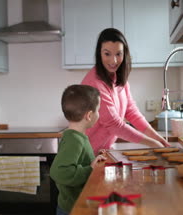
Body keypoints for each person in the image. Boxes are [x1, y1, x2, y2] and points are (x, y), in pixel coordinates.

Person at [81, 28, 170, 155]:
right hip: (86, 156)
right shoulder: (94, 83)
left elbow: (131, 112)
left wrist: (157, 137)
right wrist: (152, 143)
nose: (114, 61)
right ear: (99, 53)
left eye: (118, 54)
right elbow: (114, 124)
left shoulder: (118, 79)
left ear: (125, 54)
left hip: (102, 153)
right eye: (107, 54)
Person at [50, 84, 107, 215]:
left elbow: (77, 162)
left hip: (77, 205)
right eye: (98, 110)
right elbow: (59, 172)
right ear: (89, 115)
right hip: (72, 209)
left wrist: (93, 159)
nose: (99, 114)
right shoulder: (74, 140)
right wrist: (90, 168)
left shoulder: (76, 136)